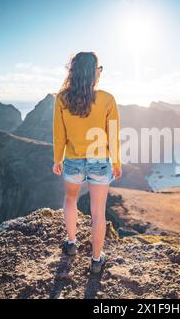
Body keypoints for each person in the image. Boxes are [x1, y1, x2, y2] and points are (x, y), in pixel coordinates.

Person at [52, 51, 122, 274]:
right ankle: (96, 260)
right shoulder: (107, 99)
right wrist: (117, 162)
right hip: (100, 161)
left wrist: (57, 159)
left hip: (72, 159)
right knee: (98, 212)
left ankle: (71, 243)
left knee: (70, 199)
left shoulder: (62, 98)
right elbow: (113, 135)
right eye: (99, 69)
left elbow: (58, 134)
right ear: (94, 73)